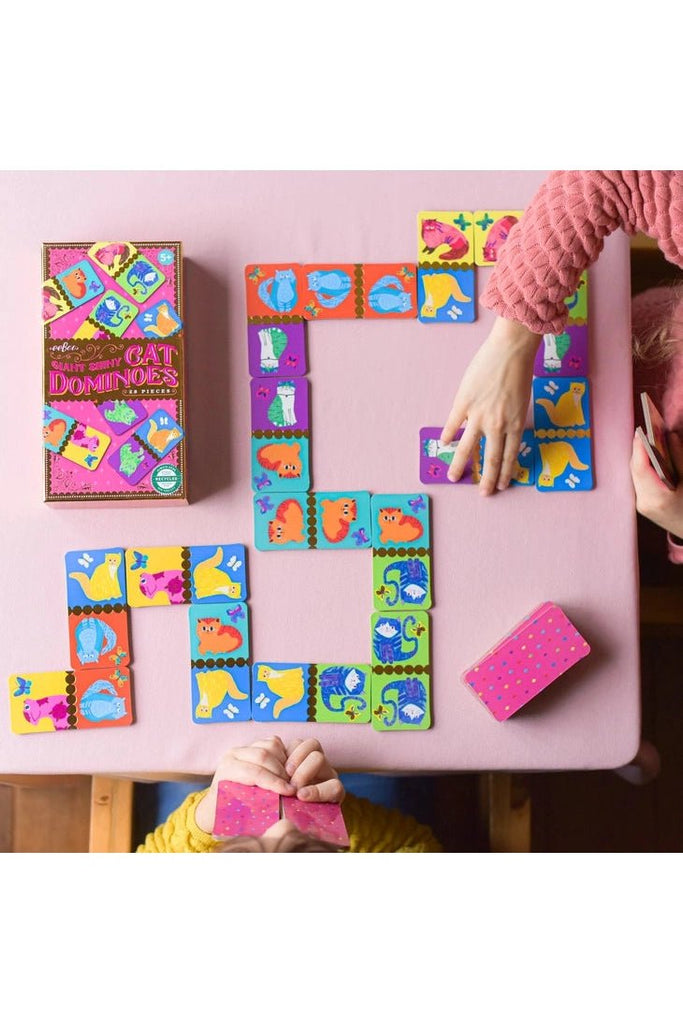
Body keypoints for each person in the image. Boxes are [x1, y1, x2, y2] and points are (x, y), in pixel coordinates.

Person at [442, 170, 683, 559]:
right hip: (626, 341)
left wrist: (678, 520)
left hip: (620, 483)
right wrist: (512, 341)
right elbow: (610, 174)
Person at [136, 736, 443, 852]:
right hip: (364, 833)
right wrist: (328, 822)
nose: (281, 823)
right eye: (300, 849)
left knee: (182, 772)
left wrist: (204, 819)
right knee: (388, 765)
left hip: (199, 839)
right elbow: (418, 846)